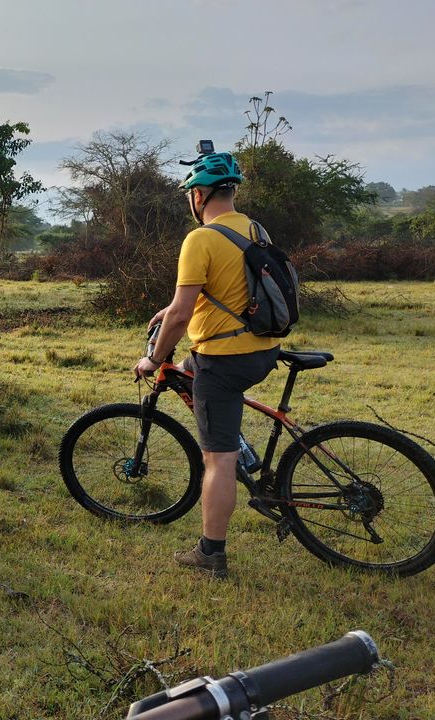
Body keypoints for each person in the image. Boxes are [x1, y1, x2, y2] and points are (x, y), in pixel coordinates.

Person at [133, 149, 280, 579]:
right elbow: (204, 297)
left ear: (198, 195)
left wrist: (152, 357)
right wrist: (170, 311)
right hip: (263, 349)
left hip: (227, 361)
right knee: (189, 366)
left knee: (218, 460)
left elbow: (182, 316)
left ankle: (211, 553)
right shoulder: (254, 227)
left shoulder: (200, 239)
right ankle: (241, 445)